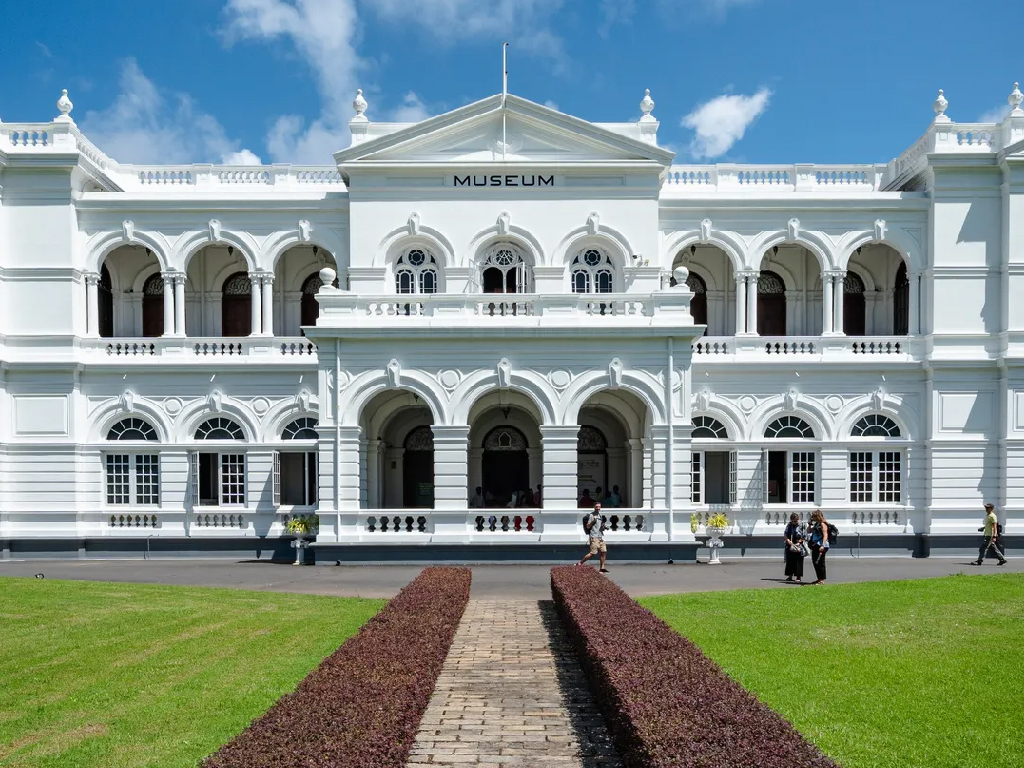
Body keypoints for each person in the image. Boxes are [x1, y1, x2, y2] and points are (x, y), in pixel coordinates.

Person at [577, 502, 609, 573]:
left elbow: (600, 526)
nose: (598, 508)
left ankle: (602, 568)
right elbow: (588, 526)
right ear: (594, 507)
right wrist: (593, 521)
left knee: (603, 551)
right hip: (594, 537)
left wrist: (604, 527)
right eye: (596, 507)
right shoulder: (591, 515)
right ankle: (580, 563)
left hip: (600, 536)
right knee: (593, 553)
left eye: (599, 507)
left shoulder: (600, 515)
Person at [807, 509, 829, 584]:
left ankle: (822, 579)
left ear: (817, 516)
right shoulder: (817, 524)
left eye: (813, 516)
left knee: (820, 562)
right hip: (816, 545)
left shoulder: (823, 524)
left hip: (822, 545)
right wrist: (810, 524)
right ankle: (819, 578)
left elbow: (825, 535)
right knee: (815, 562)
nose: (812, 518)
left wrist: (822, 545)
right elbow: (809, 531)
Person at [783, 512, 805, 583]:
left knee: (798, 561)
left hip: (799, 544)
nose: (794, 522)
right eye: (793, 521)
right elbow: (785, 534)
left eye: (795, 521)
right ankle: (790, 575)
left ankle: (798, 576)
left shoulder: (802, 525)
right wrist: (788, 540)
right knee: (789, 560)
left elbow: (805, 535)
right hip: (790, 544)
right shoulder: (789, 525)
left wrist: (800, 542)